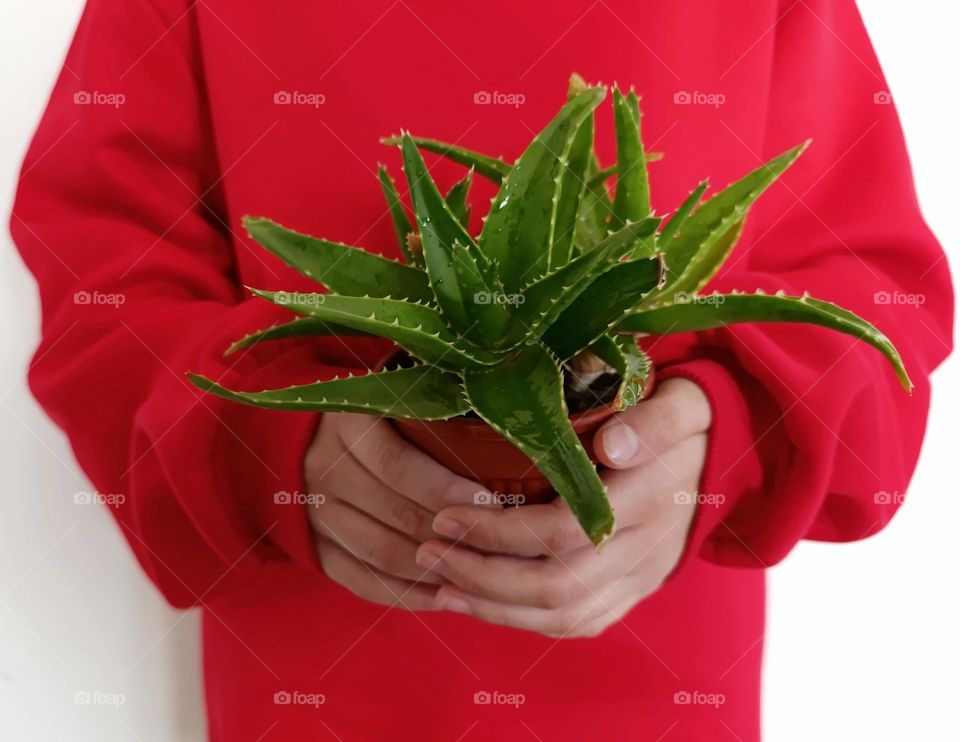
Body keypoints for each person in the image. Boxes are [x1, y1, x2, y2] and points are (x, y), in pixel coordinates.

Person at [11, 0, 952, 739]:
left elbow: (874, 298)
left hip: (663, 689)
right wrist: (265, 448)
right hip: (322, 692)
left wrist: (722, 444)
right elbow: (107, 280)